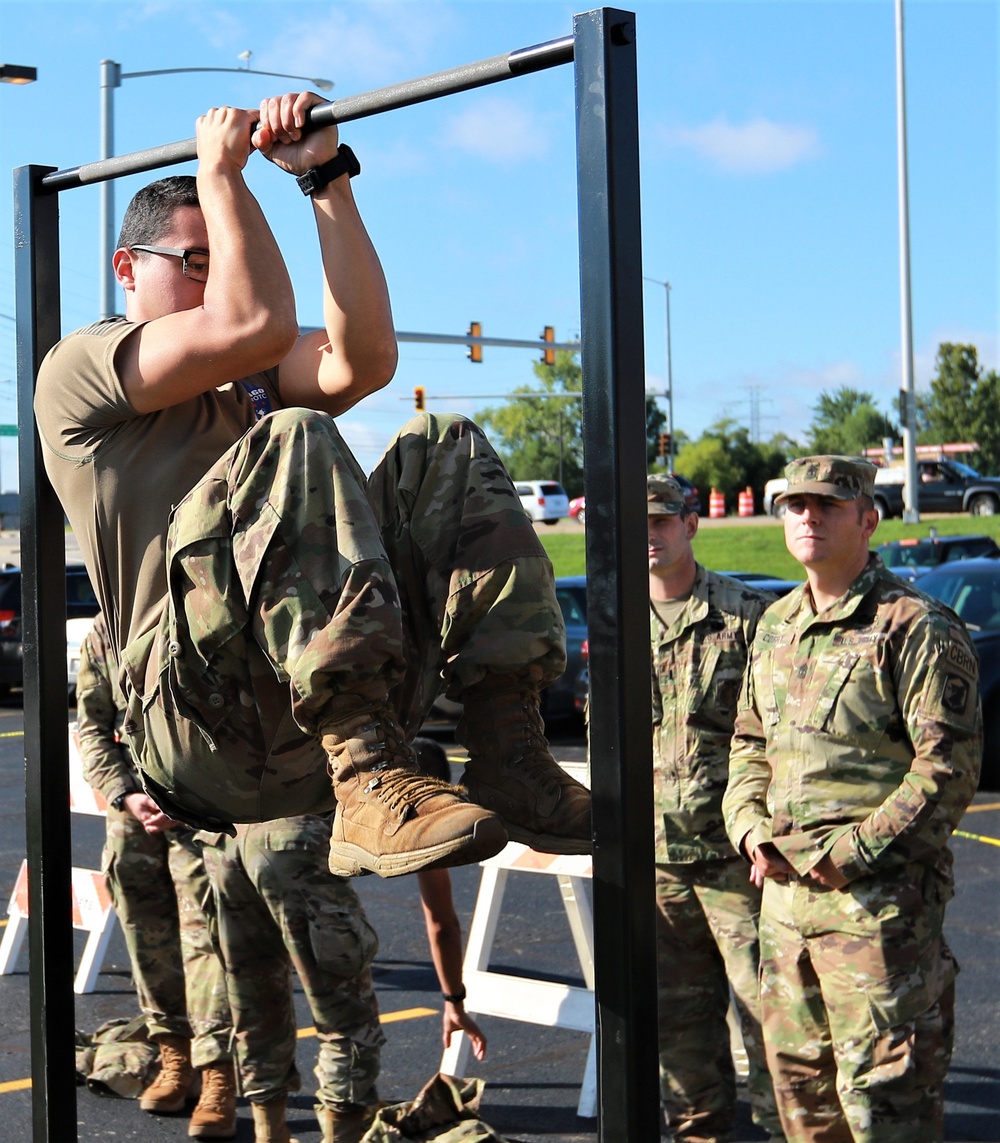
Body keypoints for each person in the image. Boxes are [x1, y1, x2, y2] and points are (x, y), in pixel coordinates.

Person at [35, 91, 590, 880]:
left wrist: (326, 178)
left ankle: (507, 750)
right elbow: (253, 321)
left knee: (443, 446)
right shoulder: (82, 367)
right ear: (127, 268)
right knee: (295, 434)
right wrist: (221, 173)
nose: (214, 282)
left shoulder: (253, 377)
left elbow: (364, 360)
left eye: (223, 263)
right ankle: (364, 771)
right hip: (195, 720)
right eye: (199, 263)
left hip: (299, 704)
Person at [723, 455, 982, 1143]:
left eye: (827, 505)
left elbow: (948, 767)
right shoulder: (775, 624)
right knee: (802, 1108)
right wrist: (749, 828)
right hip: (784, 915)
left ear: (868, 518)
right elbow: (749, 743)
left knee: (885, 1112)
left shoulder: (915, 626)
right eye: (795, 505)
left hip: (878, 919)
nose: (807, 516)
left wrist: (852, 853)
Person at [196, 737, 486, 1143]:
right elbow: (441, 921)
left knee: (256, 1000)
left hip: (230, 843)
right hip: (293, 844)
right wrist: (454, 1000)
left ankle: (270, 1132)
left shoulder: (347, 764)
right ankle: (344, 1129)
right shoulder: (410, 801)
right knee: (343, 1009)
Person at [645, 474, 782, 1143]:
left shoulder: (747, 615)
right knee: (681, 1029)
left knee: (773, 1018)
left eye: (663, 520)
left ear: (691, 524)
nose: (650, 534)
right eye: (638, 522)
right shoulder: (614, 623)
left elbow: (783, 738)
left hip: (735, 861)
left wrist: (773, 833)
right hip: (656, 865)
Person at [76, 612, 236, 1138]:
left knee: (205, 946)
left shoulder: (206, 605)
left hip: (202, 809)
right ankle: (175, 1059)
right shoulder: (109, 626)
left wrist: (197, 792)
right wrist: (126, 793)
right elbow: (93, 726)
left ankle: (217, 1078)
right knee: (147, 938)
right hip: (134, 815)